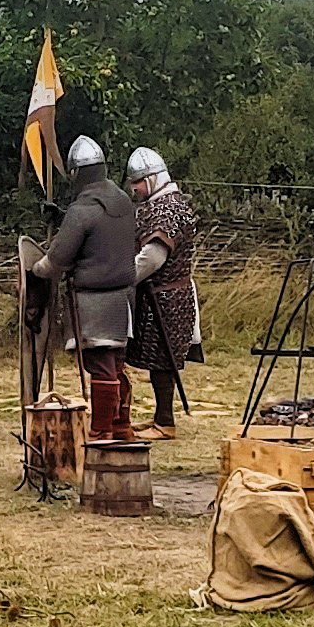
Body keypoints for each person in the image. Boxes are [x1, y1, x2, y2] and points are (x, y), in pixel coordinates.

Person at [31, 137, 142, 440]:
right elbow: (99, 236)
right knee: (115, 364)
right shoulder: (122, 201)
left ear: (77, 173)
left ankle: (102, 429)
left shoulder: (83, 210)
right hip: (123, 297)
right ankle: (121, 425)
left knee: (101, 364)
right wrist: (63, 218)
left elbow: (57, 259)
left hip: (94, 300)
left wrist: (35, 269)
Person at [126, 147, 203, 442]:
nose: (134, 188)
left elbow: (152, 258)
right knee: (159, 359)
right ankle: (161, 416)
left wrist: (124, 278)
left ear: (153, 179)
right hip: (163, 293)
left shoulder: (168, 208)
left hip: (168, 297)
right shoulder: (164, 202)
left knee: (162, 360)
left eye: (138, 181)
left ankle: (165, 423)